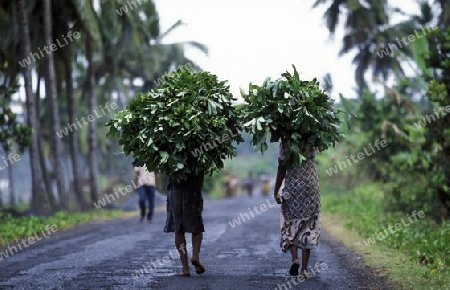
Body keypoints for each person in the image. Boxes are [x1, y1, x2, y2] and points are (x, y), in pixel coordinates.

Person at [273, 143, 321, 278]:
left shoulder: (285, 144)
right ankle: (304, 270)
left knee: (291, 223)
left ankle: (295, 259)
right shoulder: (312, 138)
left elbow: (281, 168)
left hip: (292, 189)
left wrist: (276, 191)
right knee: (308, 227)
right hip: (311, 188)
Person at [163, 171, 206, 277]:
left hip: (175, 190)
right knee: (196, 227)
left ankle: (185, 268)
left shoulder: (170, 155)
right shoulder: (198, 155)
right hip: (193, 190)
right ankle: (195, 256)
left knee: (179, 229)